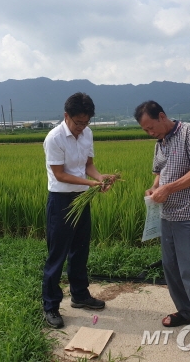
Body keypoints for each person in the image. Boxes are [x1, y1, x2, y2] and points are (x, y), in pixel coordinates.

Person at [134, 100, 190, 356]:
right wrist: (154, 187)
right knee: (171, 269)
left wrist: (168, 188)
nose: (151, 133)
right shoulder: (160, 143)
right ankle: (186, 312)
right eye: (146, 131)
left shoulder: (189, 132)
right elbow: (160, 173)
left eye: (151, 127)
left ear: (162, 116)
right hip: (168, 215)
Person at [42, 92, 115, 329]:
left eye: (86, 123)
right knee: (57, 255)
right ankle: (51, 306)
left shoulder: (87, 133)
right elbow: (60, 174)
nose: (81, 127)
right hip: (61, 201)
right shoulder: (54, 138)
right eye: (77, 123)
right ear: (66, 116)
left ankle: (80, 295)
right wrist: (90, 183)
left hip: (82, 198)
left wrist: (100, 178)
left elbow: (89, 166)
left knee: (80, 250)